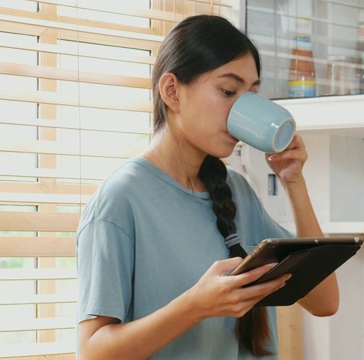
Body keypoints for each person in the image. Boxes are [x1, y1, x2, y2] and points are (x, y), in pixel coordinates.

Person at [76, 14, 339, 359]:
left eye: (252, 95)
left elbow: (324, 302)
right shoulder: (120, 201)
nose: (241, 109)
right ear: (172, 91)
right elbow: (92, 352)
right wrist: (194, 306)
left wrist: (294, 182)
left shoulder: (238, 192)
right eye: (228, 91)